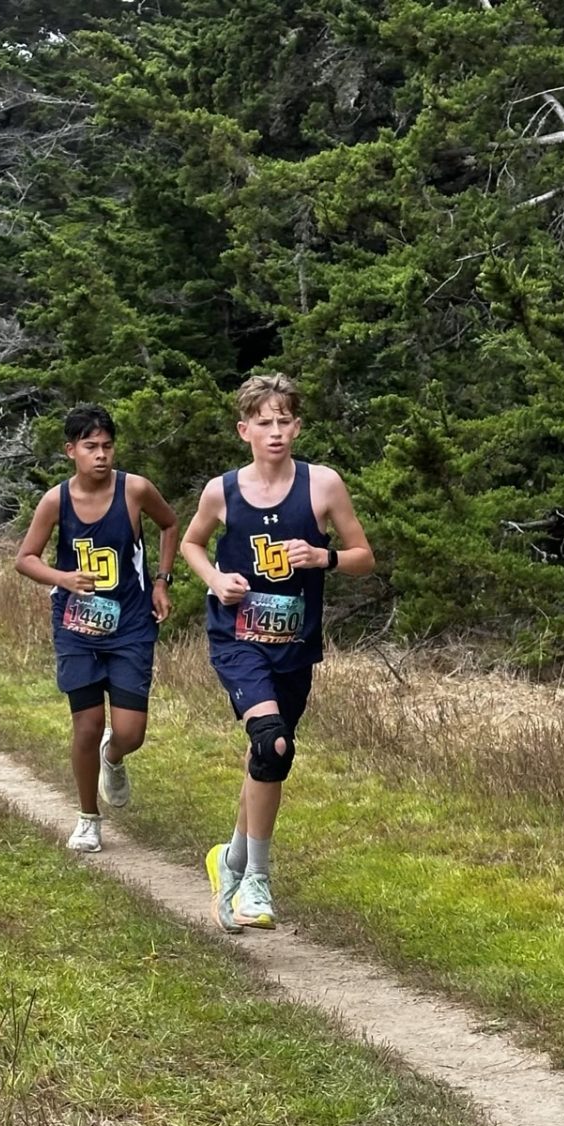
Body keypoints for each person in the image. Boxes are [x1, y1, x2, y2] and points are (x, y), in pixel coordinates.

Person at [181, 373, 374, 932]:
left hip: (294, 646)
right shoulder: (223, 491)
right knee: (272, 742)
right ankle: (258, 883)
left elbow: (364, 555)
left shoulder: (324, 486)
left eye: (284, 420)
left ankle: (231, 860)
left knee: (269, 758)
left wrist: (325, 559)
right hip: (237, 639)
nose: (275, 432)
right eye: (263, 422)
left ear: (298, 426)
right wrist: (215, 580)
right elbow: (193, 542)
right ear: (245, 430)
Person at [16, 405, 179, 853]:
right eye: (90, 447)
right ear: (71, 451)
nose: (101, 455)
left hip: (129, 624)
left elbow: (169, 524)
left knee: (130, 732)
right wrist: (63, 579)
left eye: (107, 446)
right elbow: (24, 558)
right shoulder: (56, 501)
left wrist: (161, 581)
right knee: (86, 725)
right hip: (76, 625)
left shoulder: (135, 490)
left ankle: (114, 756)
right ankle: (88, 818)